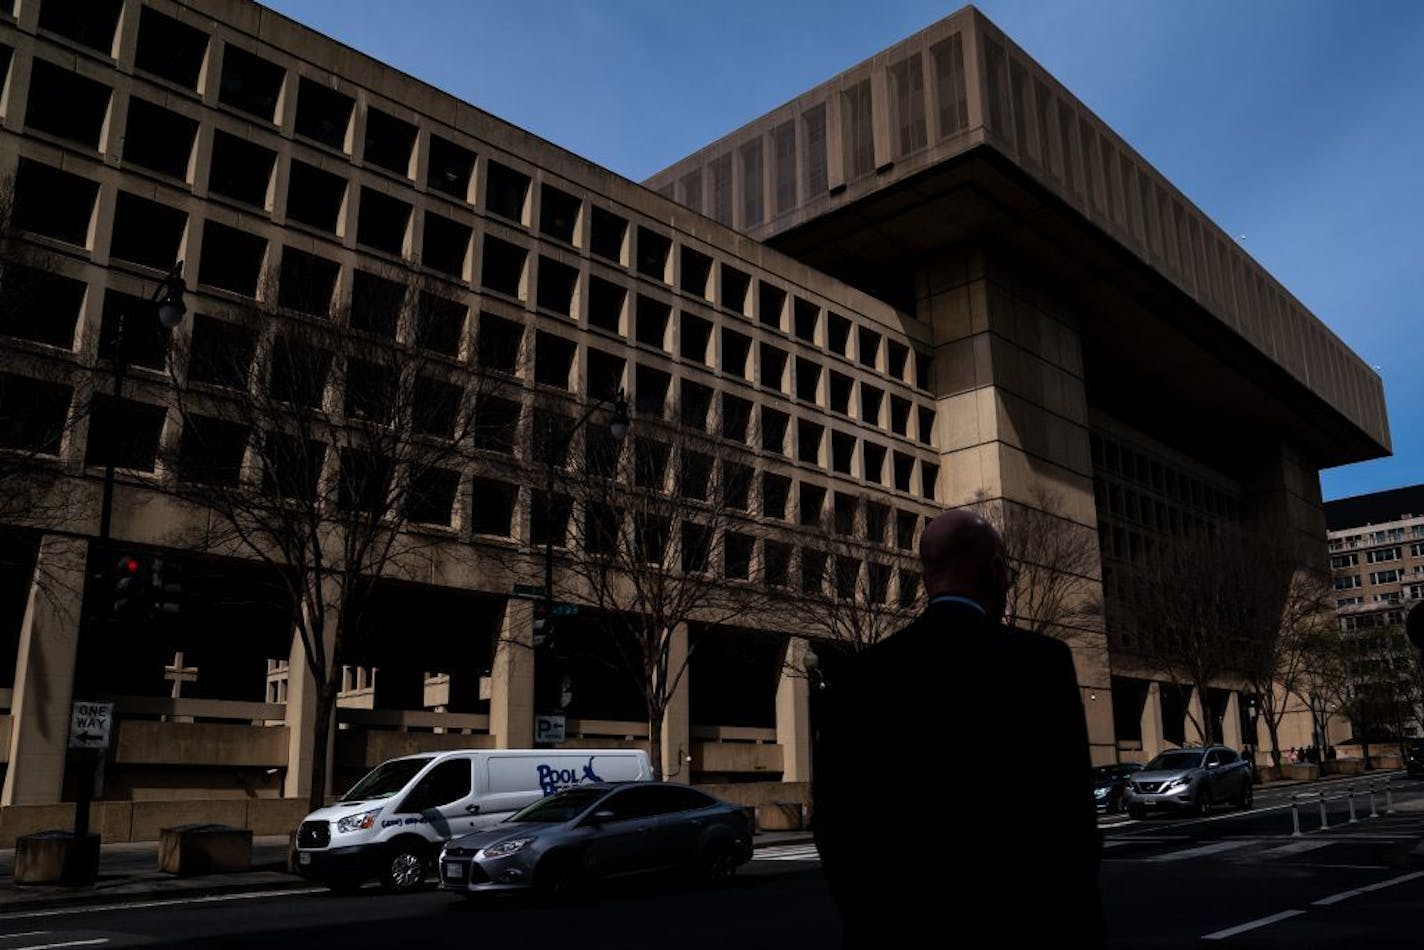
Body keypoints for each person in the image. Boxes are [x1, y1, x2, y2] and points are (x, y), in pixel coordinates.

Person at [811, 509, 1102, 948]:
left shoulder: (862, 674)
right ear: (992, 568)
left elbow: (835, 821)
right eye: (1005, 568)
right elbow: (1070, 817)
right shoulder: (1040, 663)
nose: (1007, 582)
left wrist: (871, 917)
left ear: (928, 575)